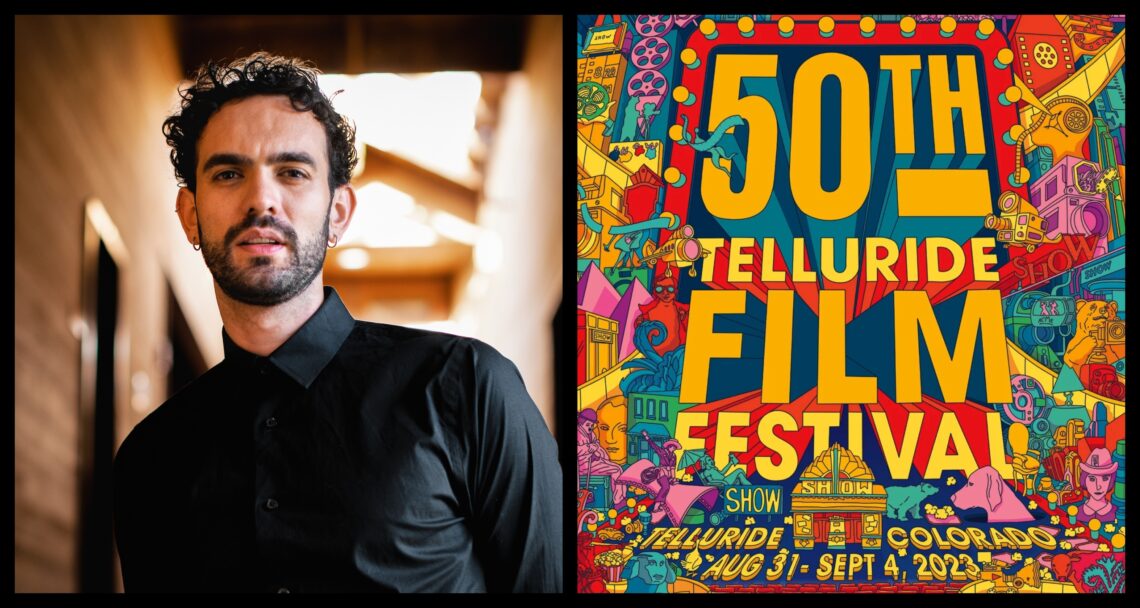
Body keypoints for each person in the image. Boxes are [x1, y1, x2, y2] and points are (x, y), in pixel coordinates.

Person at [112, 53, 561, 593]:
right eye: (229, 173)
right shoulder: (149, 458)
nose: (261, 200)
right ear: (190, 215)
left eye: (293, 172)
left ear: (338, 214)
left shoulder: (466, 386)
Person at [577, 408, 626, 505]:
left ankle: (618, 496)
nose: (590, 427)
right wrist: (589, 447)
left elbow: (597, 446)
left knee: (618, 468)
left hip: (593, 461)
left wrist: (601, 454)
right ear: (581, 422)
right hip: (584, 466)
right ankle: (618, 499)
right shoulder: (578, 433)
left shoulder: (590, 433)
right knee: (616, 470)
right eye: (587, 424)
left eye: (591, 425)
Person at [1076, 447, 1119, 524]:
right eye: (1092, 479)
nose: (1098, 486)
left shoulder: (1117, 514)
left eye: (1105, 479)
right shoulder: (1076, 512)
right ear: (1084, 479)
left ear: (1111, 480)